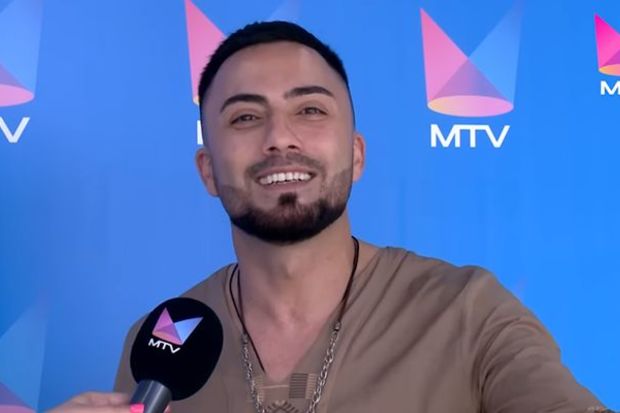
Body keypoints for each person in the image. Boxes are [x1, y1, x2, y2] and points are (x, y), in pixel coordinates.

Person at [49, 21, 610, 413]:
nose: (280, 138)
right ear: (207, 170)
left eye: (310, 110)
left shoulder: (467, 312)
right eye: (245, 117)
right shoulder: (161, 342)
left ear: (357, 155)